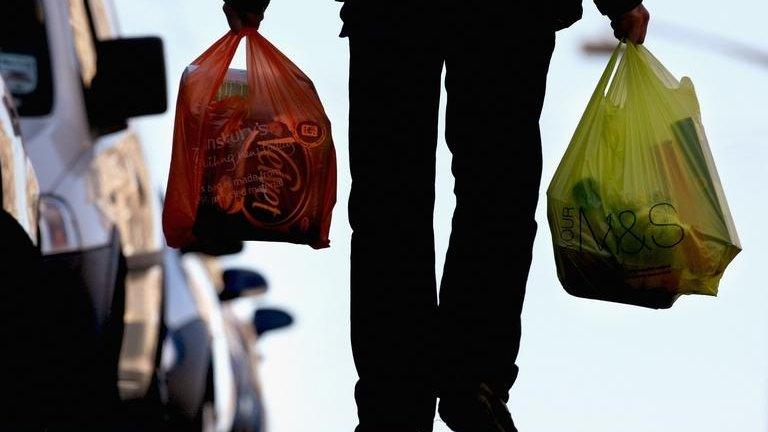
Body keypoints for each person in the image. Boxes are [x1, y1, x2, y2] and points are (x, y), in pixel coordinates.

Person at [224, 0, 650, 431]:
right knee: (495, 196)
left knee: (390, 206)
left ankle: (396, 397)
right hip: (507, 18)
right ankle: (473, 378)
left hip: (396, 17)